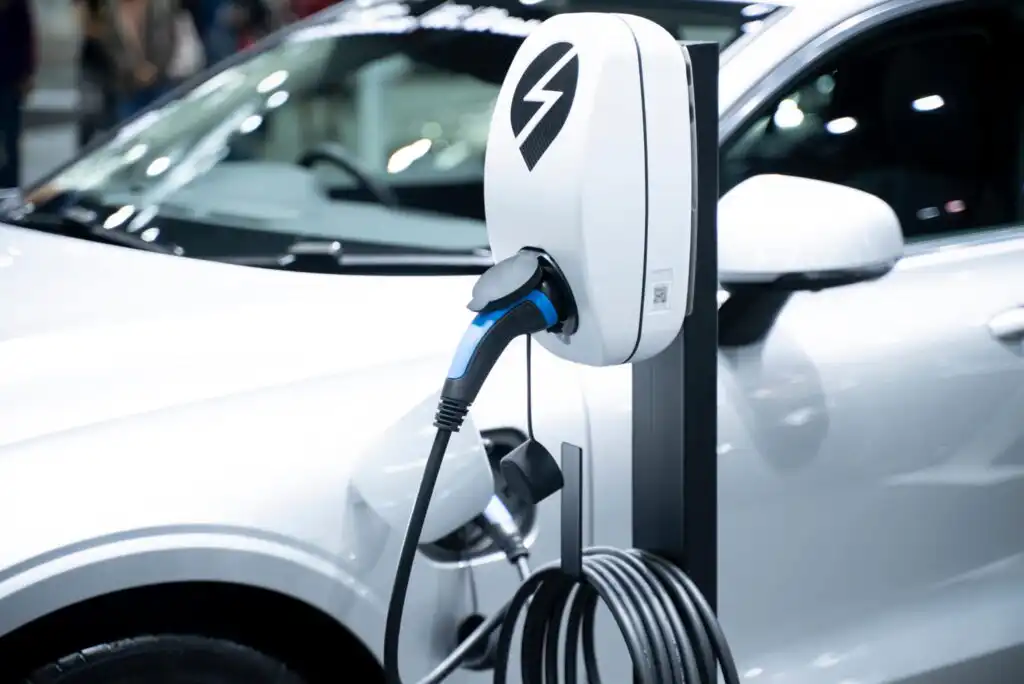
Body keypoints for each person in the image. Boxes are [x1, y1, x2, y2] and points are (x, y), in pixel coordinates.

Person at [106, 0, 180, 121]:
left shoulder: (158, 7)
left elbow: (168, 40)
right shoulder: (111, 12)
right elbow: (111, 50)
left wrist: (154, 68)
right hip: (128, 89)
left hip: (160, 82)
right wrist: (134, 71)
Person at [0, 0, 36, 188]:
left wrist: (27, 74)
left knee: (11, 138)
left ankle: (9, 186)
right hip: (10, 77)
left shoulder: (17, 5)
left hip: (10, 80)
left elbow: (27, 39)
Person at [74, 0, 117, 147]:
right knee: (90, 114)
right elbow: (88, 28)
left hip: (115, 61)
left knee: (112, 115)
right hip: (94, 60)